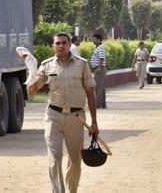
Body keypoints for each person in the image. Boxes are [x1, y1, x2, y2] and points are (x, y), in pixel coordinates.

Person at [27, 32, 99, 193]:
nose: (61, 46)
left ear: (69, 45)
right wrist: (31, 75)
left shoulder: (82, 64)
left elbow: (90, 93)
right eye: (57, 43)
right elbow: (32, 92)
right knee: (55, 158)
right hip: (53, 116)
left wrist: (94, 123)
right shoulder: (46, 65)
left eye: (64, 43)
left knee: (75, 160)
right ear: (52, 46)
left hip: (77, 118)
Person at [91, 34, 107, 109]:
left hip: (99, 68)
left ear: (99, 39)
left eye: (94, 39)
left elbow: (101, 58)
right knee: (101, 87)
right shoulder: (98, 47)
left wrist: (99, 67)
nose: (93, 40)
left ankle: (98, 104)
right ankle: (102, 103)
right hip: (98, 68)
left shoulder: (101, 47)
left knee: (98, 86)